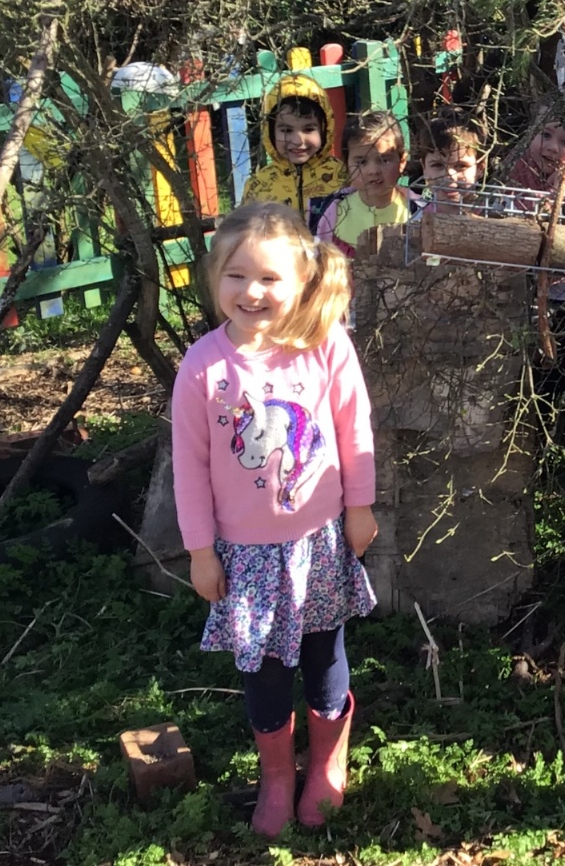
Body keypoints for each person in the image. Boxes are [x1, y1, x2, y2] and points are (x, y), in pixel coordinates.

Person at [172, 203, 379, 837]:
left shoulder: (326, 345)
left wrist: (360, 507)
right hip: (245, 556)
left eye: (269, 278)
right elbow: (190, 467)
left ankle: (327, 762)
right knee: (262, 672)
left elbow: (355, 431)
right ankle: (278, 775)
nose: (252, 292)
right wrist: (200, 551)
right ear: (214, 279)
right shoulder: (203, 366)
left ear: (302, 280)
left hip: (319, 544)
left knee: (324, 656)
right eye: (236, 276)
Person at [506, 106, 565, 457]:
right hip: (530, 292)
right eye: (545, 136)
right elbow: (512, 211)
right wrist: (540, 201)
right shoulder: (520, 166)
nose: (551, 147)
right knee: (535, 370)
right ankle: (536, 443)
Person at [242, 74, 348, 230]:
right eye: (286, 130)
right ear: (270, 132)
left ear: (325, 128)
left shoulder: (343, 176)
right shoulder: (258, 185)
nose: (298, 141)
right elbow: (245, 233)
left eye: (308, 129)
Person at [314, 110, 420, 257]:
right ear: (346, 165)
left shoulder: (417, 211)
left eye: (384, 160)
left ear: (402, 162)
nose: (373, 171)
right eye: (361, 162)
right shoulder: (332, 211)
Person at [415, 113, 485, 213]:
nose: (449, 176)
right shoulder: (416, 217)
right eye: (438, 165)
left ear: (480, 168)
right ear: (424, 168)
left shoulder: (494, 214)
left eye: (461, 166)